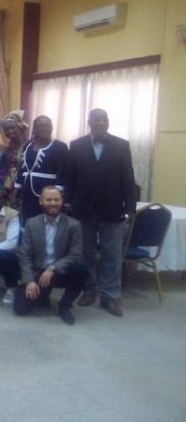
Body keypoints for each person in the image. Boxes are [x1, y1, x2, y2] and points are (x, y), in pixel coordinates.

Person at [67, 108, 136, 317]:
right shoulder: (76, 145)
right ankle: (88, 290)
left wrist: (130, 207)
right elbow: (71, 177)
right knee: (84, 253)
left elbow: (128, 177)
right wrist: (68, 202)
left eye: (104, 120)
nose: (100, 123)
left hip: (113, 208)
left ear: (108, 123)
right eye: (96, 120)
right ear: (89, 122)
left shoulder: (121, 145)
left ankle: (110, 296)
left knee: (112, 254)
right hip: (83, 209)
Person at [14, 186, 87, 325]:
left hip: (60, 272)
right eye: (49, 199)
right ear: (41, 201)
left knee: (80, 269)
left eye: (56, 199)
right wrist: (29, 280)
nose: (53, 203)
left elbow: (75, 255)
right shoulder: (32, 223)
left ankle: (64, 306)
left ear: (62, 201)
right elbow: (25, 255)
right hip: (38, 272)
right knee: (20, 309)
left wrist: (53, 267)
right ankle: (42, 294)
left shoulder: (73, 225)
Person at [12, 115, 69, 223]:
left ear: (52, 128)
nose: (44, 129)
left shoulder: (60, 147)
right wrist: (15, 191)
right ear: (34, 129)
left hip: (48, 194)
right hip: (27, 192)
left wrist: (56, 196)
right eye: (40, 126)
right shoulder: (27, 145)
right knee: (28, 221)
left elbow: (63, 173)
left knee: (46, 223)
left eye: (47, 126)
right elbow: (22, 170)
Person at [2, 110, 29, 207]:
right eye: (6, 129)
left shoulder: (30, 146)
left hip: (24, 188)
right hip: (8, 189)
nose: (9, 131)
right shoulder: (7, 149)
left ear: (20, 127)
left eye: (12, 128)